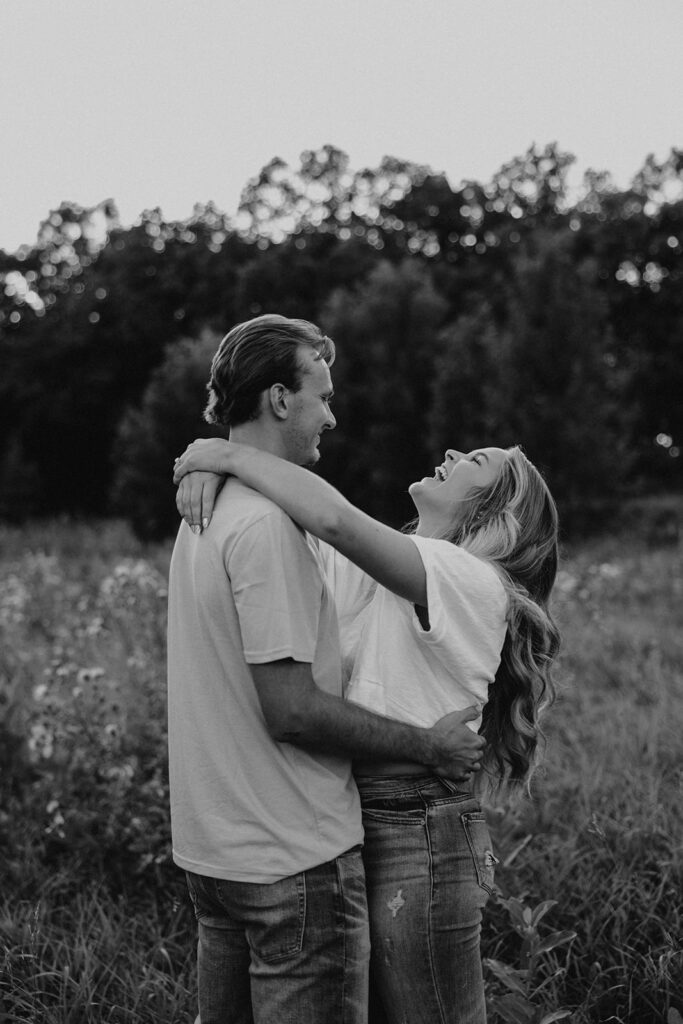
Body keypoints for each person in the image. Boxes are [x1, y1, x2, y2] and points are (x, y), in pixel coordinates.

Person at [173, 428, 561, 1024]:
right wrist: (209, 473)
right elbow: (301, 520)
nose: (453, 454)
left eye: (474, 462)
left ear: (495, 507)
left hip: (420, 828)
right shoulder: (394, 572)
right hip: (355, 815)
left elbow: (333, 520)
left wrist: (224, 455)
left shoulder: (473, 581)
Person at [166, 314, 486, 1024]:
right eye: (322, 395)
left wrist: (211, 455)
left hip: (216, 852)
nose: (331, 417)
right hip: (290, 859)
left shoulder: (205, 515)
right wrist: (427, 745)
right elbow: (293, 709)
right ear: (281, 399)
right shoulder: (265, 527)